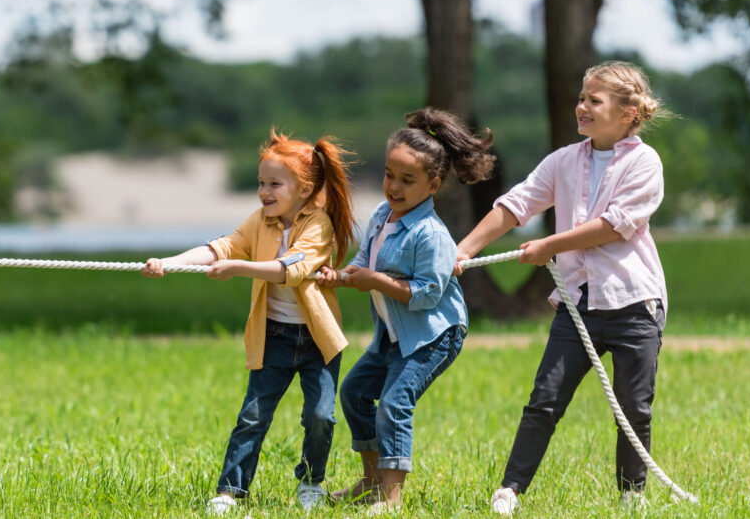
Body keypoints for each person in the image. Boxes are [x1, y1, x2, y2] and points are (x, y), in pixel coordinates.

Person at [452, 61, 669, 514]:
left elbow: (614, 225)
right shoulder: (564, 161)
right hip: (579, 304)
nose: (582, 106)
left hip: (635, 304)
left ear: (627, 114)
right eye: (581, 97)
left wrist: (549, 245)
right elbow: (516, 204)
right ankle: (510, 490)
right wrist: (464, 249)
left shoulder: (644, 162)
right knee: (545, 400)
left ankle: (632, 496)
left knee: (634, 408)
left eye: (595, 100)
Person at [141, 130, 356, 515]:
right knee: (253, 416)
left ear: (305, 189)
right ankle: (230, 491)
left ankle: (311, 483)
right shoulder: (260, 221)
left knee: (320, 417)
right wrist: (169, 263)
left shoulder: (318, 224)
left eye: (275, 184)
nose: (264, 192)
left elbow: (290, 268)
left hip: (317, 340)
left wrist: (239, 268)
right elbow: (221, 247)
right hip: (273, 337)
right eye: (261, 183)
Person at [320, 107, 495, 512]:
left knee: (395, 404)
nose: (393, 187)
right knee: (355, 393)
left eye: (406, 180)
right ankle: (371, 483)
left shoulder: (431, 234)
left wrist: (375, 281)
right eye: (389, 175)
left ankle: (391, 498)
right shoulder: (382, 216)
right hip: (394, 334)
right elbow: (365, 260)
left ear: (433, 185)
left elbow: (427, 294)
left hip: (433, 335)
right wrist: (341, 276)